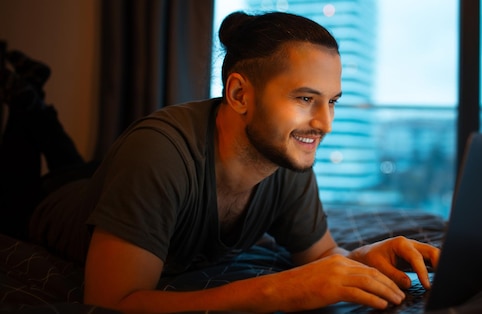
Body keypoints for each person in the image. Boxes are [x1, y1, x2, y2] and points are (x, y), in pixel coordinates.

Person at [0, 11, 440, 313]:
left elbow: (322, 255)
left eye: (332, 102)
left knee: (68, 155)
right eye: (305, 98)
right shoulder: (159, 151)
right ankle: (25, 98)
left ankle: (32, 96)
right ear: (239, 94)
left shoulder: (287, 158)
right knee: (23, 172)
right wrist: (276, 290)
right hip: (47, 204)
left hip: (104, 182)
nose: (324, 123)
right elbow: (111, 301)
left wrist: (365, 257)